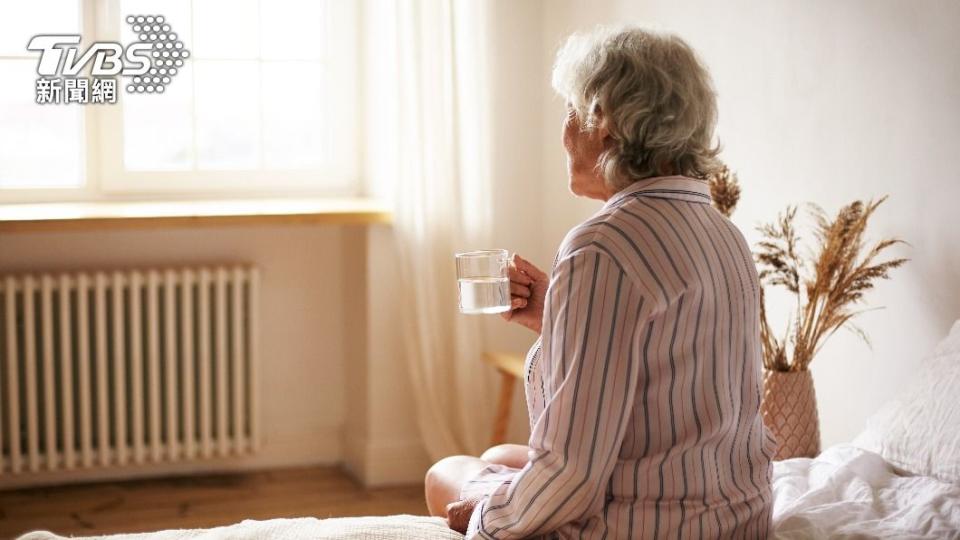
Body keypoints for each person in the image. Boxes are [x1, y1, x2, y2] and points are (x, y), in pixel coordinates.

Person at [426, 25, 774, 539]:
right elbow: (670, 364)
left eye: (570, 111)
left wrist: (484, 518)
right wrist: (557, 317)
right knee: (501, 455)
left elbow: (572, 471)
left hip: (650, 527)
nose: (564, 131)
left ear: (604, 121)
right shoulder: (724, 234)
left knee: (446, 474)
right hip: (736, 519)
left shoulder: (602, 247)